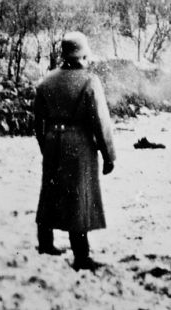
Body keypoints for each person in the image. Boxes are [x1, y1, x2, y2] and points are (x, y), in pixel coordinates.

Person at [34, 31, 116, 271]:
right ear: (82, 55)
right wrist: (108, 155)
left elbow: (37, 123)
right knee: (78, 200)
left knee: (49, 193)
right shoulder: (90, 82)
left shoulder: (46, 81)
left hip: (52, 142)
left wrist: (46, 146)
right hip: (79, 144)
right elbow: (101, 122)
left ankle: (45, 244)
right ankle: (81, 256)